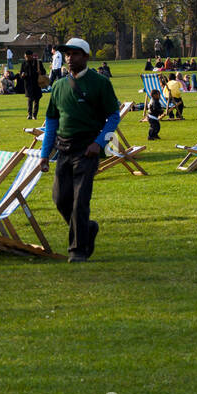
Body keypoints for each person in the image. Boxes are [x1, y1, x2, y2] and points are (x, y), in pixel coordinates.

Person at [38, 38, 120, 262]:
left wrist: (100, 142)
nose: (69, 58)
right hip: (63, 148)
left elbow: (114, 115)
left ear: (86, 57)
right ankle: (87, 229)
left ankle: (77, 250)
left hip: (87, 149)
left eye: (74, 54)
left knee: (80, 201)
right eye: (66, 54)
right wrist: (45, 154)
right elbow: (51, 120)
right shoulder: (58, 86)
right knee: (60, 199)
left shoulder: (100, 83)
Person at [19, 49, 45, 120]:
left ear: (31, 56)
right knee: (30, 100)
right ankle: (29, 114)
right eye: (25, 56)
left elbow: (44, 72)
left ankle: (35, 115)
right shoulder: (24, 63)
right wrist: (22, 75)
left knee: (36, 100)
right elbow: (20, 75)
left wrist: (40, 72)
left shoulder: (38, 62)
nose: (26, 58)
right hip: (28, 84)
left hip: (37, 84)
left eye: (27, 56)